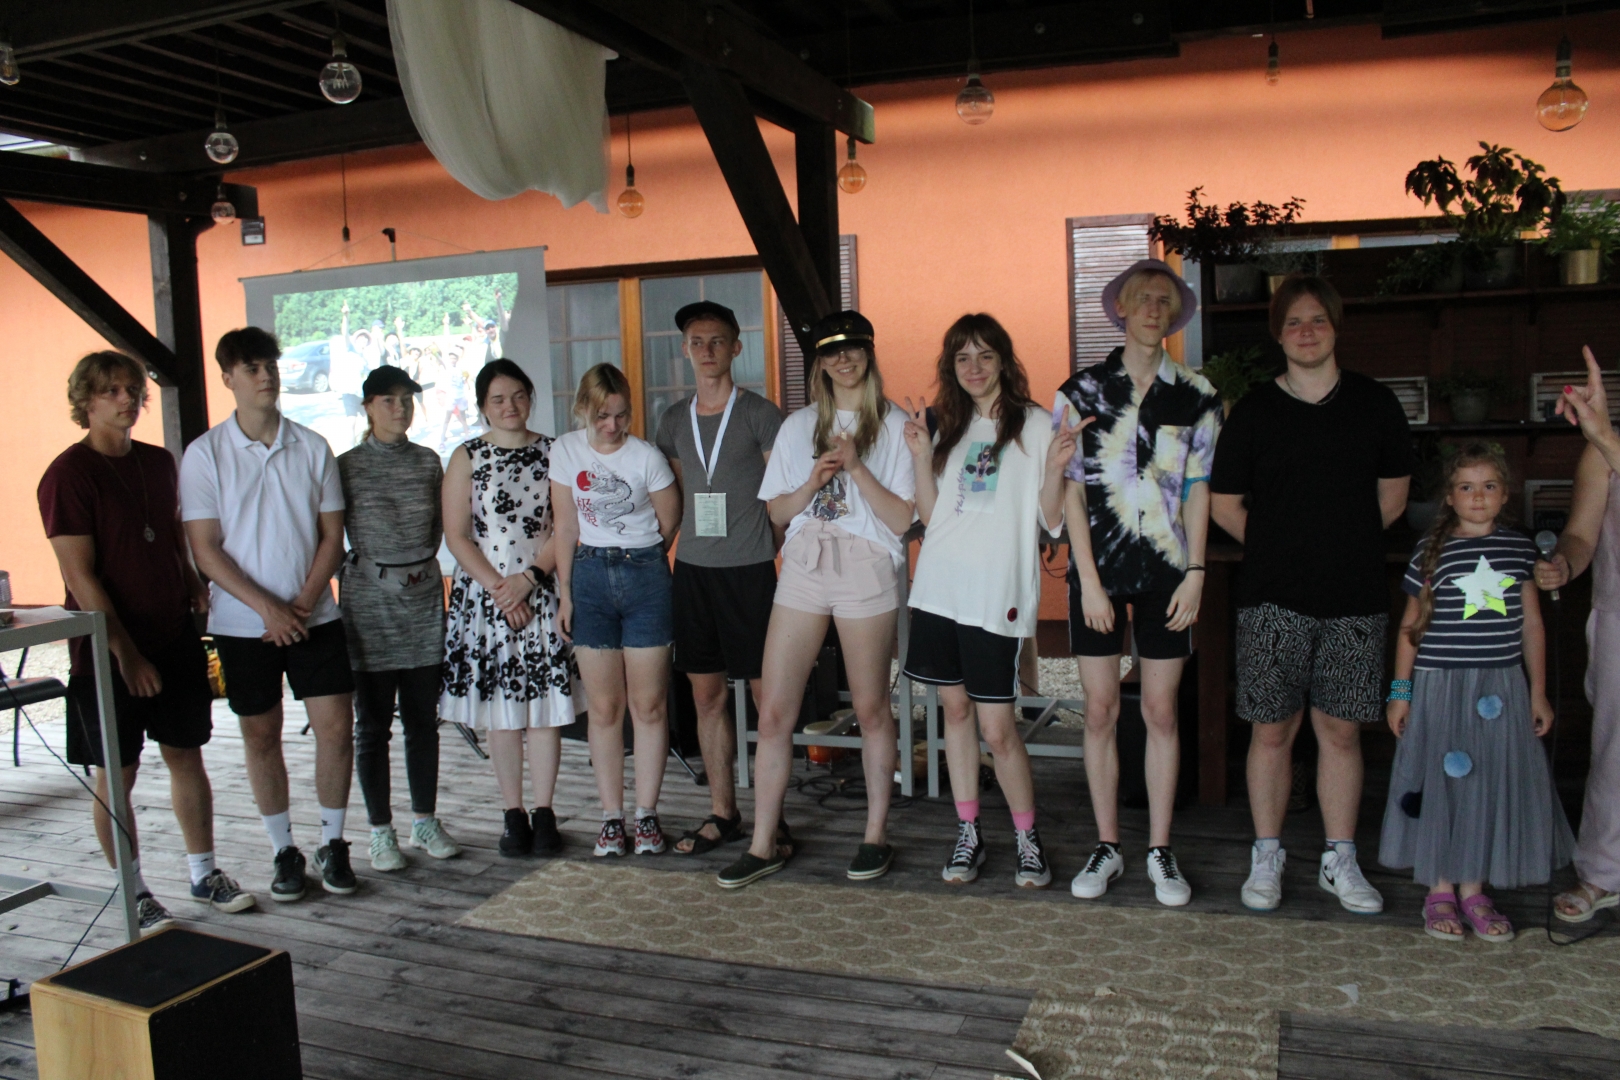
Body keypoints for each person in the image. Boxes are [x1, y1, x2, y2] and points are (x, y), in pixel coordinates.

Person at [1210, 275, 1413, 915]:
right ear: (1278, 333)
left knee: (1341, 731)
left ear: (1335, 328)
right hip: (1271, 597)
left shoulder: (1375, 404)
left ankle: (1339, 858)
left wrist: (1337, 543)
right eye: (1294, 322)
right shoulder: (1254, 413)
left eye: (1317, 320)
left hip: (1354, 595)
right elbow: (1222, 503)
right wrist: (1280, 545)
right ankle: (1266, 854)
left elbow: (1393, 498)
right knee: (1271, 731)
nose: (1306, 332)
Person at [37, 351, 255, 930]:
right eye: (111, 390)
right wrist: (125, 654)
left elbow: (170, 538)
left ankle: (204, 873)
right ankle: (133, 892)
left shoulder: (158, 462)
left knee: (186, 754)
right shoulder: (67, 475)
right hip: (106, 650)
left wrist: (192, 583)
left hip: (172, 634)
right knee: (118, 772)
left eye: (133, 389)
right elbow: (80, 577)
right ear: (85, 400)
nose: (127, 399)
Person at [718, 312, 917, 889]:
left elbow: (902, 520)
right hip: (805, 563)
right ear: (820, 363)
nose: (843, 359)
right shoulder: (799, 425)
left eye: (853, 348)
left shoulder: (895, 424)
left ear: (869, 353)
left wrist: (855, 467)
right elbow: (778, 512)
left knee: (871, 708)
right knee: (775, 711)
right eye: (831, 351)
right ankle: (763, 842)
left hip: (866, 564)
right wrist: (812, 480)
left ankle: (875, 835)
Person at [1058, 260, 1220, 907]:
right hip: (1098, 573)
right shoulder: (1081, 391)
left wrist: (1197, 572)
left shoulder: (1197, 394)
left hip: (1167, 574)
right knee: (1099, 710)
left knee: (1160, 711)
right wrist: (1089, 580)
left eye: (1164, 300)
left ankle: (1159, 848)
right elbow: (1071, 491)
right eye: (1142, 298)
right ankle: (1107, 845)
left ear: (1174, 314)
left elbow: (1200, 490)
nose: (1154, 308)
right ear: (1121, 309)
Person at [902, 313, 1082, 888]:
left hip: (994, 593)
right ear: (951, 367)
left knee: (998, 728)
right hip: (939, 587)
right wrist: (919, 454)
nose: (974, 367)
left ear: (1004, 360)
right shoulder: (949, 427)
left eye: (984, 355)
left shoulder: (1035, 424)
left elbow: (1050, 519)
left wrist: (1056, 467)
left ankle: (1028, 838)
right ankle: (968, 832)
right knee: (954, 713)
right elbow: (931, 517)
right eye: (962, 358)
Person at [181, 327, 357, 901]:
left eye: (271, 366)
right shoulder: (204, 454)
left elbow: (332, 536)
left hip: (315, 616)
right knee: (261, 736)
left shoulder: (312, 446)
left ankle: (333, 842)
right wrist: (268, 609)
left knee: (337, 730)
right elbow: (206, 549)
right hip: (242, 625)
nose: (266, 376)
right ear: (227, 377)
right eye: (252, 368)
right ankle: (284, 850)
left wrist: (301, 604)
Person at [1381, 442, 1573, 941]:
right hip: (1439, 687)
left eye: (1489, 486)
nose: (1479, 496)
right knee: (1444, 782)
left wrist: (1537, 692)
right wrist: (1401, 692)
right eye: (1466, 487)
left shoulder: (1519, 549)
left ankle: (1474, 889)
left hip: (1500, 688)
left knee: (1487, 782)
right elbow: (1410, 627)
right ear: (1449, 497)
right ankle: (1440, 888)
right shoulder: (1431, 551)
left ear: (1505, 493)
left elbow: (1532, 625)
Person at [653, 300, 784, 856]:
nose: (707, 351)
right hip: (694, 572)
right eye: (697, 342)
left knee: (766, 699)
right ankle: (723, 812)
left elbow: (783, 497)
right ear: (685, 350)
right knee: (705, 696)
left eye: (717, 341)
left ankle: (773, 821)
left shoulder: (761, 414)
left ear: (736, 347)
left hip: (750, 572)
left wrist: (767, 545)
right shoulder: (672, 420)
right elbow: (675, 498)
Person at [441, 359, 580, 857]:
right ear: (483, 406)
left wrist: (529, 580)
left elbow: (565, 526)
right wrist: (502, 590)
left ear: (530, 397)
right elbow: (457, 535)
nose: (510, 406)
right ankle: (512, 815)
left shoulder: (555, 451)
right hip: (486, 600)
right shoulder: (467, 456)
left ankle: (544, 813)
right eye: (498, 399)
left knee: (543, 711)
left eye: (519, 395)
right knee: (501, 712)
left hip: (541, 592)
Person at [550, 364, 680, 857]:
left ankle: (646, 815)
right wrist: (566, 593)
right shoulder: (566, 450)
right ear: (583, 409)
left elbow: (670, 519)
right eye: (602, 416)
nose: (612, 425)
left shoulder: (646, 456)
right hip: (588, 577)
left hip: (645, 575)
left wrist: (641, 556)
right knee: (604, 708)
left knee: (648, 705)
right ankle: (611, 818)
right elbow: (565, 526)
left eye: (621, 415)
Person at [337, 365, 461, 872]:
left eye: (407, 398)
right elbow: (332, 533)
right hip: (369, 604)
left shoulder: (429, 461)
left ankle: (424, 820)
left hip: (423, 599)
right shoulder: (346, 466)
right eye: (388, 400)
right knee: (371, 725)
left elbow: (440, 528)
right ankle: (379, 830)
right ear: (368, 407)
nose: (400, 408)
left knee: (422, 721)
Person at [1535, 346, 1620, 923]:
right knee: (1614, 752)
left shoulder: (1606, 442)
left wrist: (1606, 437)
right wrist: (1565, 563)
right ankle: (1602, 873)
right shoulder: (1601, 451)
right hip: (1617, 616)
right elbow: (1582, 534)